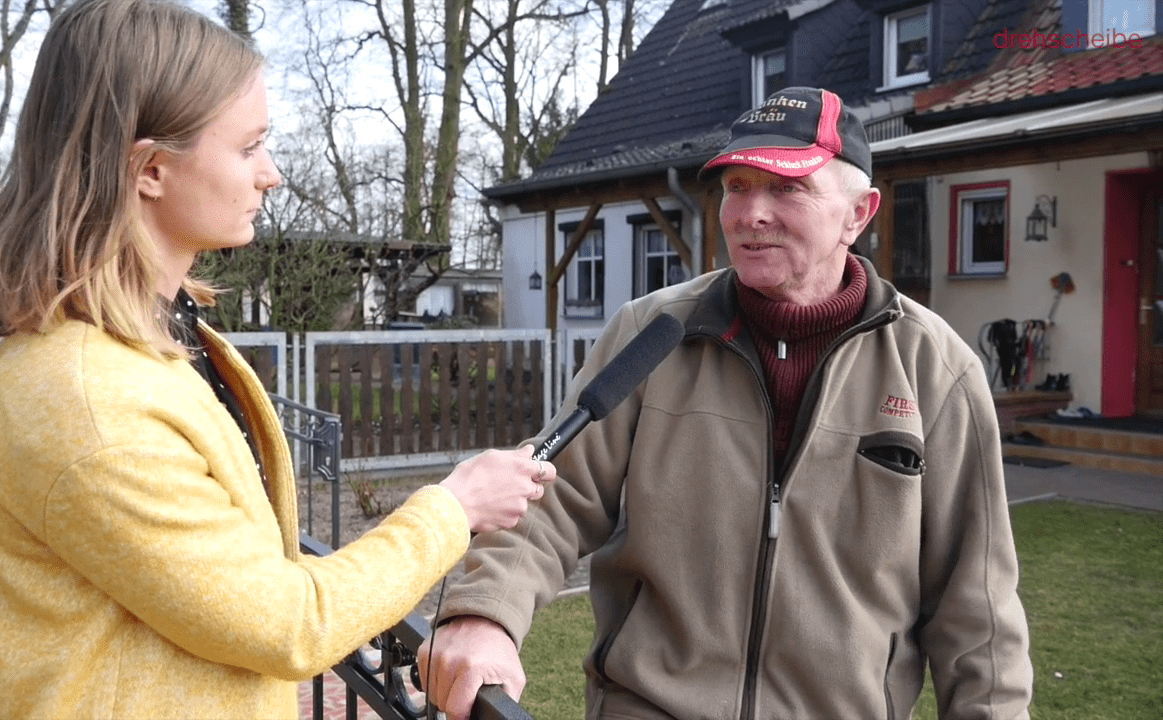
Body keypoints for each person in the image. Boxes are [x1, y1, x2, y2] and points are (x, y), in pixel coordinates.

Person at [0, 1, 555, 718]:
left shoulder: (159, 337)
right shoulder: (90, 401)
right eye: (248, 148)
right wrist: (453, 507)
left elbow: (239, 575)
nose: (269, 174)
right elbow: (287, 623)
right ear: (149, 169)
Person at [419, 87, 1033, 719]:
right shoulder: (649, 335)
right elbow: (552, 494)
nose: (749, 213)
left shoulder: (938, 373)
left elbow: (977, 610)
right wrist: (483, 612)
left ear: (858, 213)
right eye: (737, 185)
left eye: (786, 188)